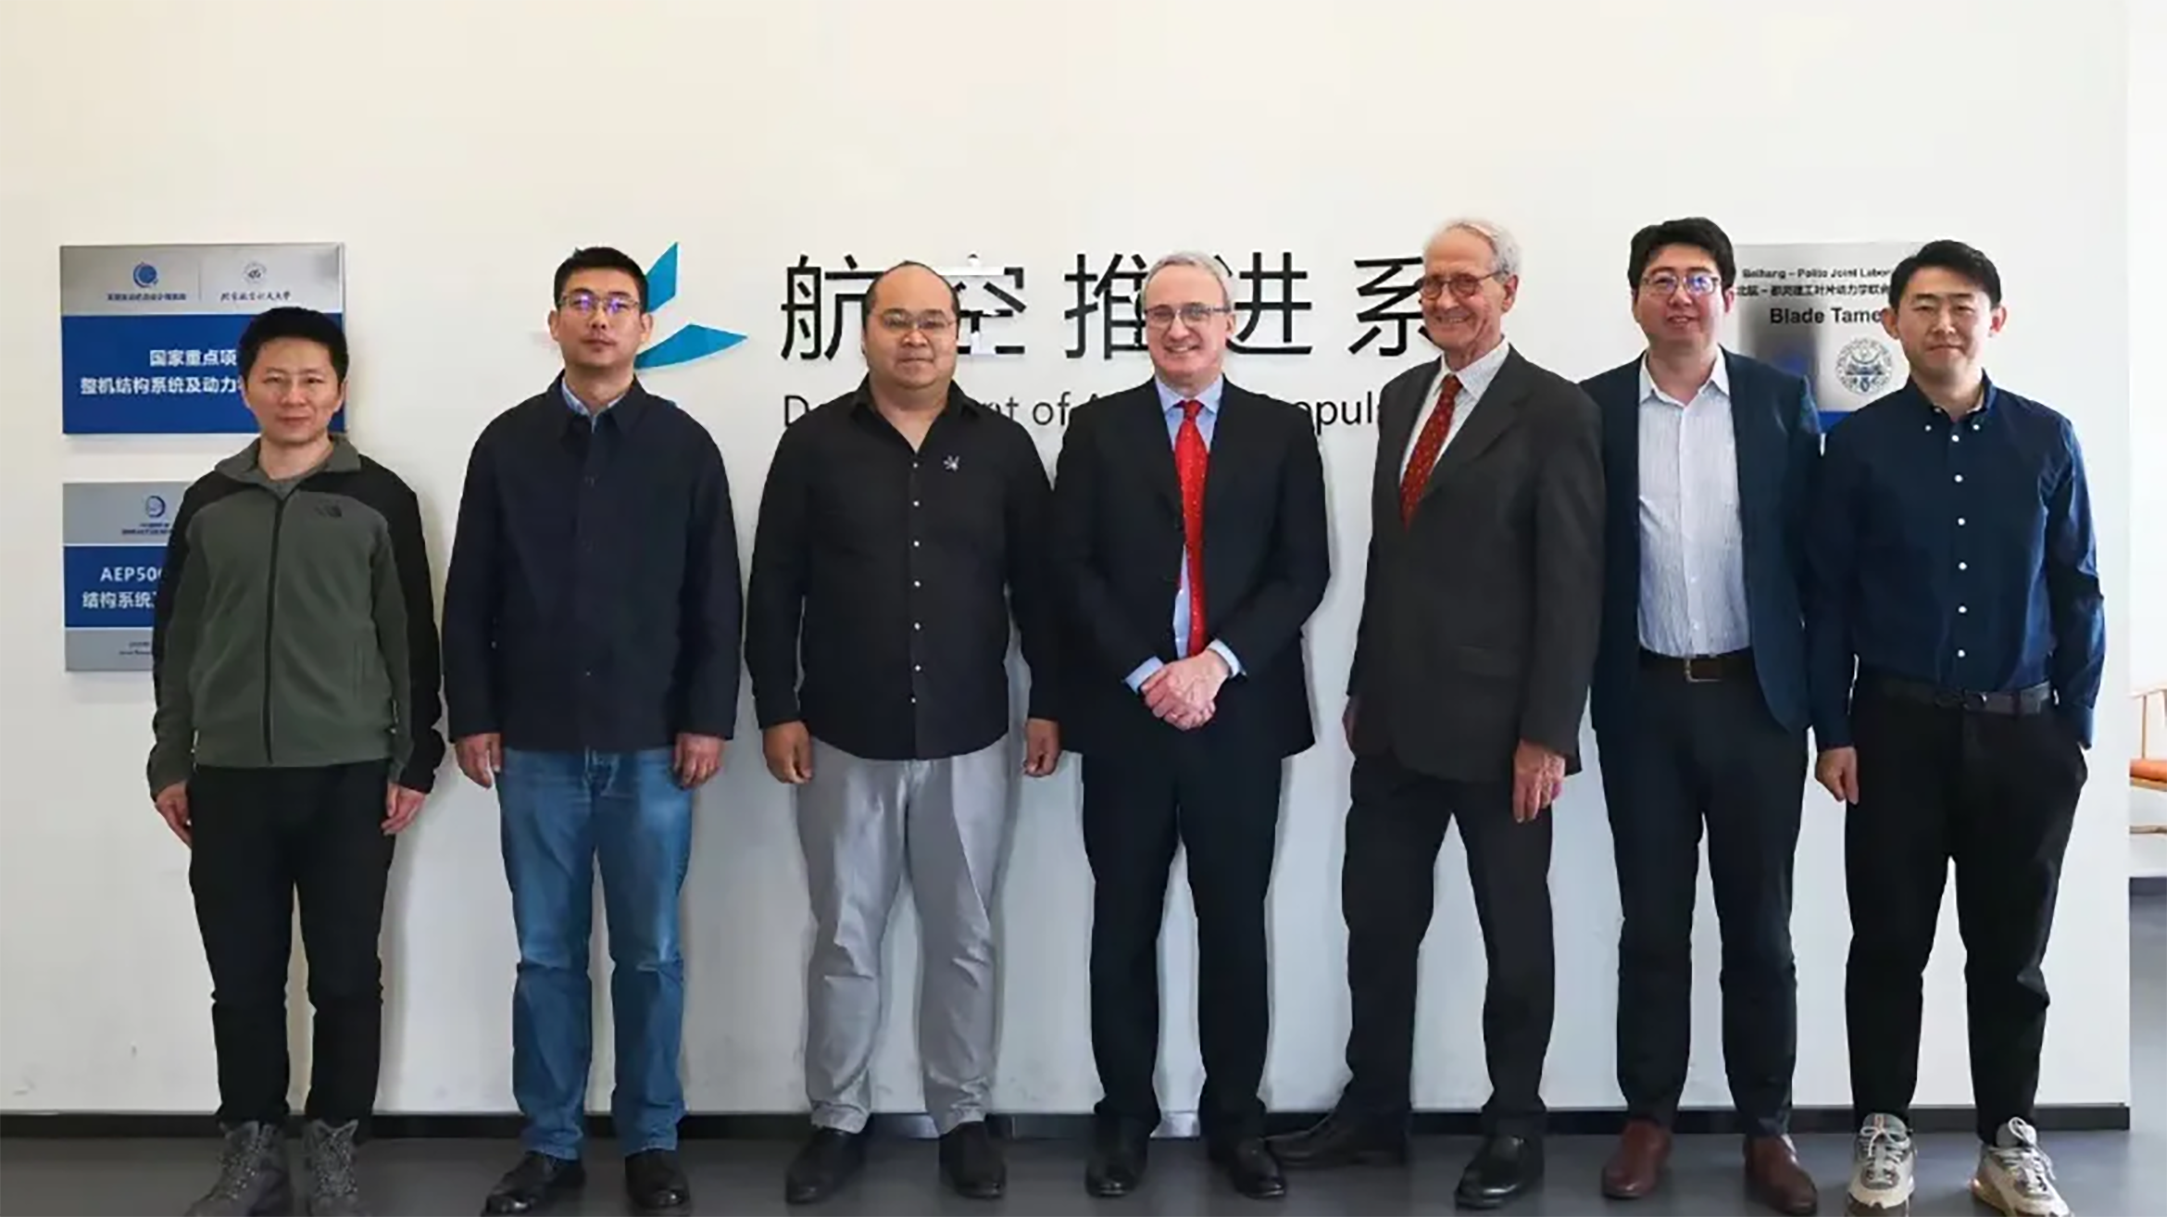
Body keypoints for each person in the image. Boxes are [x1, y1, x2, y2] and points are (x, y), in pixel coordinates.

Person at [1269, 218, 1603, 1210]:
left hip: (1504, 735)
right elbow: (1394, 560)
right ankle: (1374, 1108)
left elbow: (1572, 581)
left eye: (1466, 282)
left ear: (1507, 291)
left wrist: (1548, 731)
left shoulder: (1555, 409)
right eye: (1432, 285)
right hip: (1394, 725)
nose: (1446, 300)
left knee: (1514, 934)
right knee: (1375, 923)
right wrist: (1361, 684)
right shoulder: (1404, 394)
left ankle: (1515, 1122)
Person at [746, 261, 1061, 1205]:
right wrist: (777, 706)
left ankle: (961, 1116)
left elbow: (1039, 590)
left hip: (970, 735)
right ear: (865, 332)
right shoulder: (813, 444)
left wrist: (1049, 700)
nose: (915, 337)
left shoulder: (1002, 448)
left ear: (958, 334)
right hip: (843, 734)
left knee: (964, 936)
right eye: (896, 320)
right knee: (844, 937)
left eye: (933, 321)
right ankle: (836, 1117)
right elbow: (774, 587)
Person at [442, 246, 742, 1215]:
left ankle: (651, 1138)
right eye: (582, 301)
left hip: (653, 744)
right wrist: (473, 713)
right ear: (556, 322)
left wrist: (706, 717)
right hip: (533, 743)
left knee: (650, 954)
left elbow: (715, 598)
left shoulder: (683, 446)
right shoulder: (507, 444)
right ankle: (551, 1142)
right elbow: (469, 593)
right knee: (546, 955)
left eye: (618, 303)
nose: (600, 317)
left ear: (645, 326)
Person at [1810, 239, 2100, 1217]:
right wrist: (1832, 729)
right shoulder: (1856, 446)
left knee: (2009, 954)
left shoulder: (2045, 438)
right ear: (1890, 322)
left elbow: (2077, 587)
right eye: (1924, 304)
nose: (1944, 322)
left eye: (1962, 304)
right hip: (1892, 731)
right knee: (1887, 942)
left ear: (1994, 320)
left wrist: (2073, 727)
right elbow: (1827, 599)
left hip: (2024, 736)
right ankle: (1882, 1127)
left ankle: (2006, 1141)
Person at [149, 306, 444, 1217]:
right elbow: (177, 639)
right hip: (230, 776)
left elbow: (409, 637)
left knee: (346, 975)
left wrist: (414, 758)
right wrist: (171, 756)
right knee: (242, 978)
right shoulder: (209, 501)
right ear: (246, 388)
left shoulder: (380, 498)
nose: (294, 396)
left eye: (312, 379)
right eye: (275, 379)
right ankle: (251, 1152)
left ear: (339, 389)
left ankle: (334, 1149)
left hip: (349, 774)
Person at [1051, 252, 1330, 1201]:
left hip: (1237, 718)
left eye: (1197, 311)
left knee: (1234, 926)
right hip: (1126, 719)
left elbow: (1302, 570)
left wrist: (1214, 664)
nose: (1179, 329)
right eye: (1160, 313)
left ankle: (1236, 1123)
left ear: (1229, 320)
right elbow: (1071, 568)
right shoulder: (1096, 429)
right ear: (1141, 326)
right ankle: (1123, 1119)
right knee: (1121, 924)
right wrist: (1147, 672)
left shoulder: (1281, 429)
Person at [1579, 217, 1820, 1215]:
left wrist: (1830, 712)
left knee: (1759, 926)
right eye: (1661, 278)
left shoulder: (1776, 401)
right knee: (1651, 922)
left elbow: (1814, 559)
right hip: (1642, 701)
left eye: (1698, 278)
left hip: (1757, 702)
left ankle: (1767, 1125)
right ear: (1635, 295)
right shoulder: (1592, 408)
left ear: (1726, 295)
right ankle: (1648, 1116)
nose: (1679, 294)